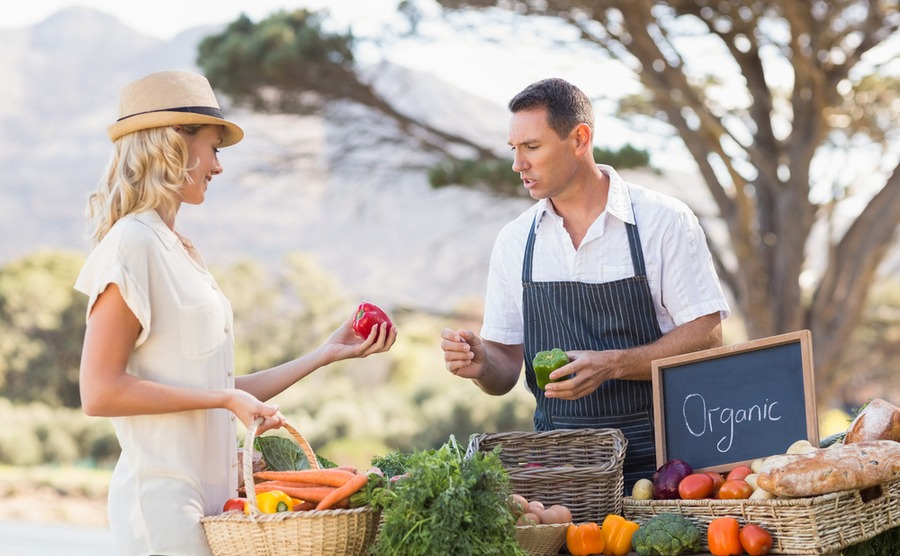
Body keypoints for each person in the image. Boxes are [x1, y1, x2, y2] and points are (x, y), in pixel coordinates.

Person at [75, 70, 398, 556]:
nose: (218, 167)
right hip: (162, 505)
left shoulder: (180, 250)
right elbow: (99, 392)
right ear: (174, 145)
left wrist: (324, 355)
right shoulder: (132, 244)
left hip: (214, 506)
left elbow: (216, 386)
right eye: (214, 148)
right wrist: (225, 401)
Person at [440, 78, 729, 486]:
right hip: (560, 474)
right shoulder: (515, 241)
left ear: (579, 139)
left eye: (532, 147)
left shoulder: (663, 221)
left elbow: (708, 336)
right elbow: (504, 369)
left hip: (664, 470)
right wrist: (482, 362)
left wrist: (612, 365)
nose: (517, 164)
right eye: (514, 149)